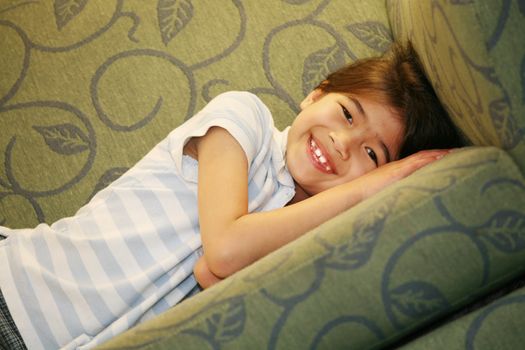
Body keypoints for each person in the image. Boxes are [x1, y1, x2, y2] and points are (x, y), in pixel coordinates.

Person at [0, 41, 464, 350]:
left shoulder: (305, 236)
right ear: (314, 94)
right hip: (19, 295)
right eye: (346, 113)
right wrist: (372, 182)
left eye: (372, 153)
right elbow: (223, 248)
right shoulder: (245, 119)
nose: (343, 143)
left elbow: (209, 275)